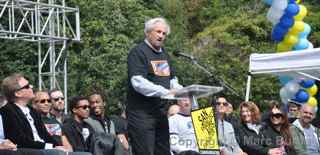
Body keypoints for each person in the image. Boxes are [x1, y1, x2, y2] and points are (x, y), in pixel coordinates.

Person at [127, 17, 183, 155]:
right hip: (142, 116)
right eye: (158, 32)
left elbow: (171, 79)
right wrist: (165, 92)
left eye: (164, 34)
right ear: (148, 32)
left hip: (161, 114)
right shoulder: (138, 52)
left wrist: (182, 90)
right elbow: (138, 82)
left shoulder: (164, 54)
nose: (161, 36)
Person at [0, 73, 64, 151]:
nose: (31, 87)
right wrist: (50, 147)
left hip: (43, 150)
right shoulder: (7, 112)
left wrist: (58, 147)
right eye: (27, 86)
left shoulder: (32, 111)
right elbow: (20, 140)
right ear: (18, 93)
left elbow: (45, 135)